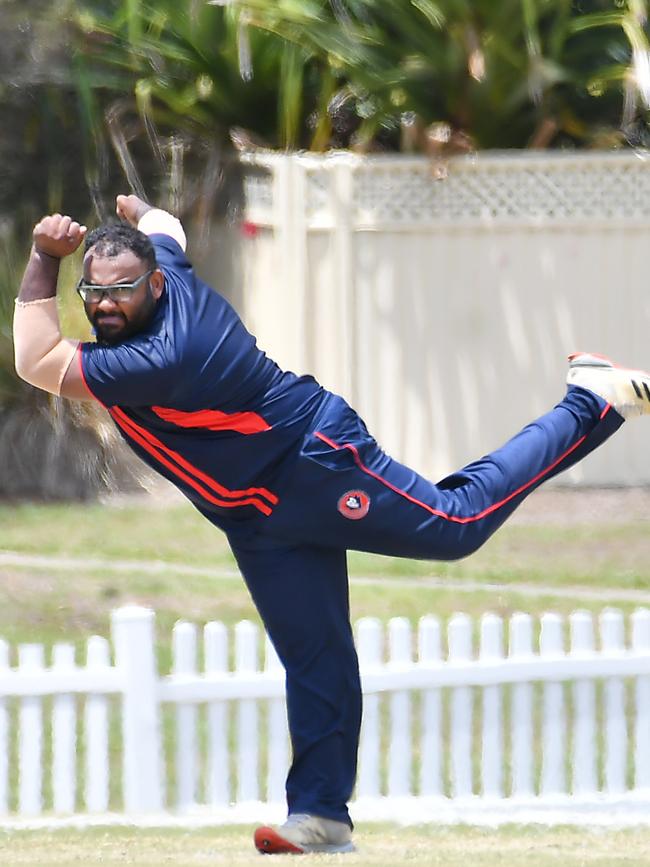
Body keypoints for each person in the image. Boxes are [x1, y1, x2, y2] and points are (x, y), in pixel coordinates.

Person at [12, 195, 650, 854]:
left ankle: (589, 402)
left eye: (122, 291)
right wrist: (141, 211)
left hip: (313, 462)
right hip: (255, 513)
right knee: (316, 657)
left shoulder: (170, 353)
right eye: (94, 290)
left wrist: (43, 257)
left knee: (457, 523)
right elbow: (164, 227)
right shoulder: (165, 265)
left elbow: (34, 358)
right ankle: (320, 813)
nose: (106, 304)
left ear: (156, 286)